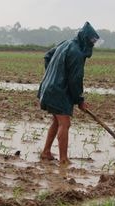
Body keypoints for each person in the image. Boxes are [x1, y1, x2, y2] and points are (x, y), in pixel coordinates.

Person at [37, 22, 100, 165]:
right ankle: (64, 159)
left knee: (57, 121)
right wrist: (80, 100)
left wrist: (52, 74)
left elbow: (48, 56)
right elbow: (75, 80)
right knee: (64, 124)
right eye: (91, 41)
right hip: (58, 91)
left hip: (49, 87)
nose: (92, 45)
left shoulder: (66, 43)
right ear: (85, 38)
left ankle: (46, 152)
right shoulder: (77, 53)